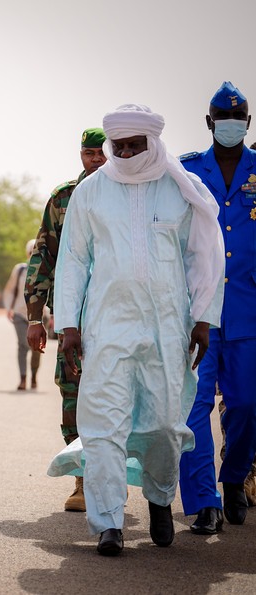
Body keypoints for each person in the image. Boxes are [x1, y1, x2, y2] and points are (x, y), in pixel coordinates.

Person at [48, 104, 224, 556]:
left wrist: (203, 317)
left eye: (133, 145)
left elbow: (204, 254)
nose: (124, 154)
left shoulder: (181, 188)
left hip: (168, 326)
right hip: (106, 324)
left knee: (164, 424)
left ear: (153, 143)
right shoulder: (92, 192)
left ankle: (161, 498)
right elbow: (73, 259)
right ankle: (108, 522)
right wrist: (69, 324)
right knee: (104, 424)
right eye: (117, 146)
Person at [178, 81, 256, 534]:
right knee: (195, 405)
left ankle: (233, 477)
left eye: (237, 119)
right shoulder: (187, 172)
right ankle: (203, 502)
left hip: (248, 308)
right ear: (210, 123)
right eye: (221, 119)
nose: (229, 125)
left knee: (246, 404)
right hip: (199, 311)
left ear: (247, 124)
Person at [25, 127, 106, 512]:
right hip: (72, 315)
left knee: (115, 394)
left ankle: (112, 476)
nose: (98, 160)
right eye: (91, 153)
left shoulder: (128, 192)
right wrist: (34, 316)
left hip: (116, 313)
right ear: (81, 155)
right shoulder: (63, 199)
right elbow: (44, 254)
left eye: (102, 153)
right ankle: (82, 479)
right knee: (72, 390)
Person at [3, 238, 41, 391]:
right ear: (27, 253)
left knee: (37, 349)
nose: (33, 255)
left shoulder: (45, 271)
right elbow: (10, 289)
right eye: (31, 252)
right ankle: (23, 379)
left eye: (36, 252)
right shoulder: (19, 270)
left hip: (39, 316)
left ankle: (33, 377)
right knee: (23, 345)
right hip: (19, 313)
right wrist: (8, 307)